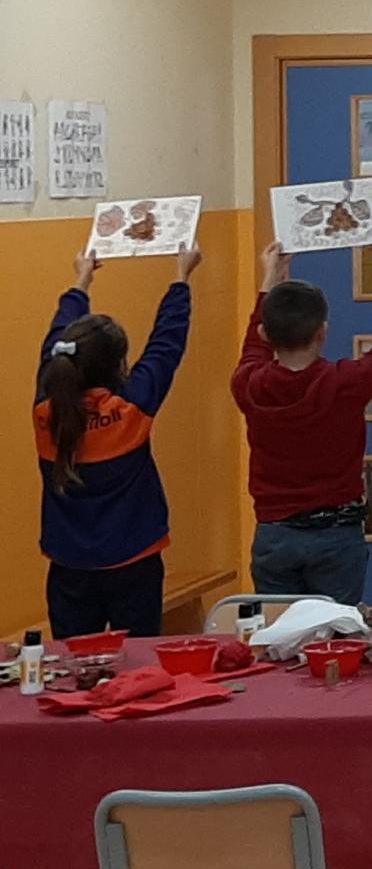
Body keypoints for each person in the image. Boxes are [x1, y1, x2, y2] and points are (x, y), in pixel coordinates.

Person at [232, 227, 372, 602]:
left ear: (266, 333)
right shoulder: (345, 382)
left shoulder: (248, 384)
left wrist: (269, 278)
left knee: (281, 631)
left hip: (275, 533)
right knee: (336, 631)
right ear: (322, 333)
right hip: (337, 534)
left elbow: (253, 344)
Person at [36, 240, 201, 637]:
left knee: (73, 665)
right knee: (139, 661)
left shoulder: (45, 408)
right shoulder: (131, 408)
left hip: (69, 565)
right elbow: (166, 345)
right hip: (134, 562)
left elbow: (56, 341)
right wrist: (181, 278)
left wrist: (81, 280)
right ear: (120, 366)